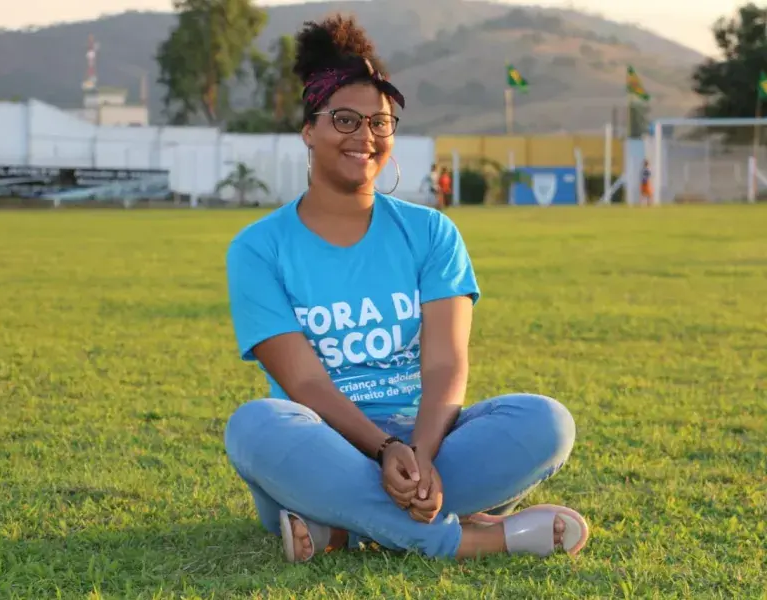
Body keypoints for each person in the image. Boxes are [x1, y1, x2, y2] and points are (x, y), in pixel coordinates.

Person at [223, 14, 589, 563]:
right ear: (309, 130)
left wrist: (418, 452)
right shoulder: (259, 248)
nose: (364, 137)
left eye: (380, 122)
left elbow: (445, 365)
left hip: (428, 442)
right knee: (255, 425)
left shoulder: (430, 232)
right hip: (319, 443)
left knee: (546, 421)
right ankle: (474, 537)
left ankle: (339, 528)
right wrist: (384, 448)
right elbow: (302, 381)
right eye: (344, 120)